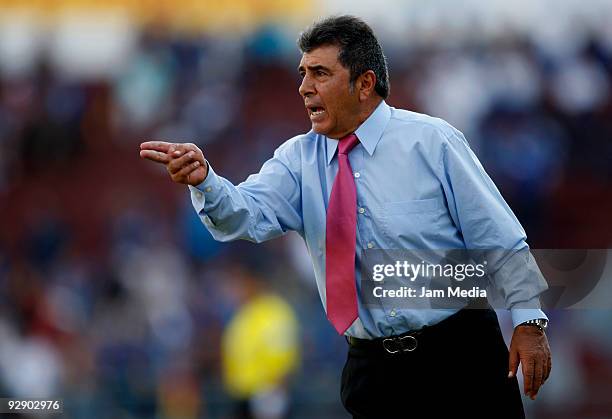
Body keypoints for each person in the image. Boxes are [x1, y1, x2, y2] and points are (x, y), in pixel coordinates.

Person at [140, 15, 551, 418]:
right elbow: (245, 215)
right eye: (303, 74)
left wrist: (529, 321)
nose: (304, 88)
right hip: (372, 371)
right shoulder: (297, 159)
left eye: (320, 73)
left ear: (364, 83)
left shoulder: (432, 141)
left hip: (459, 355)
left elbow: (499, 236)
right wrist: (206, 181)